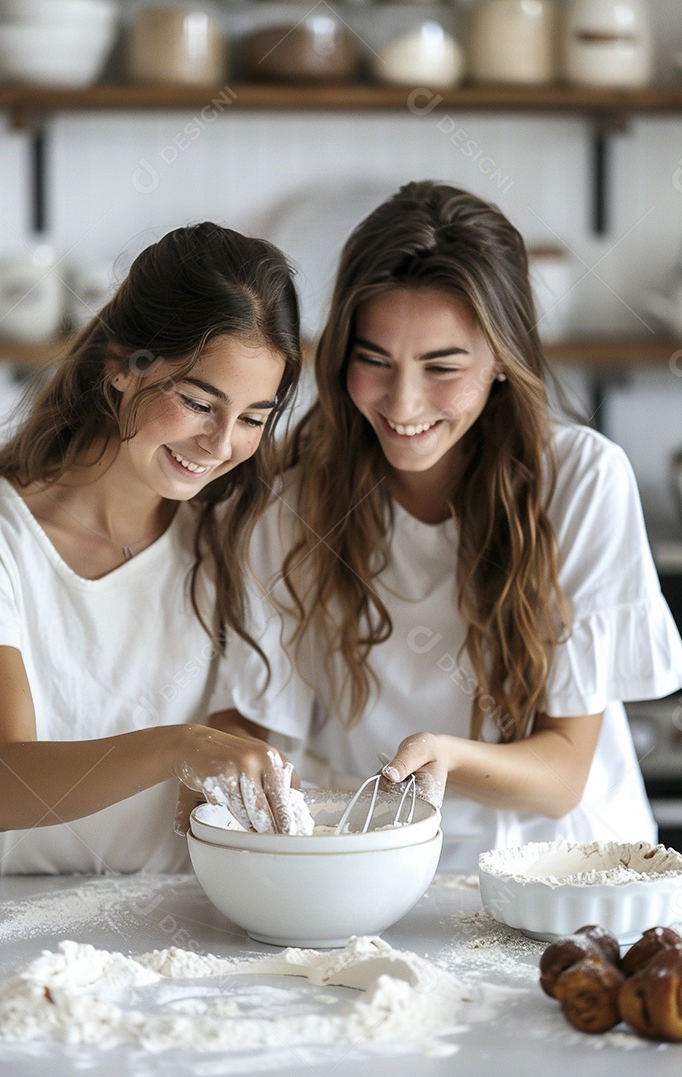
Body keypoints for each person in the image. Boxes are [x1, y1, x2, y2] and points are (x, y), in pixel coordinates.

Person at [206, 180, 682, 871]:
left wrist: (445, 759)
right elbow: (260, 721)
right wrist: (223, 754)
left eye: (442, 367)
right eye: (374, 361)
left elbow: (561, 779)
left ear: (500, 361)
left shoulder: (580, 480)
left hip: (562, 875)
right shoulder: (293, 503)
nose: (403, 403)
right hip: (368, 864)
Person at [0, 221, 304, 884]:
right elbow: (3, 785)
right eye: (198, 402)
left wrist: (224, 749)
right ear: (122, 365)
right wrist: (183, 747)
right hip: (7, 928)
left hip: (181, 924)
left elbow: (239, 713)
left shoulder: (236, 533)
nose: (221, 444)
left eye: (254, 418)